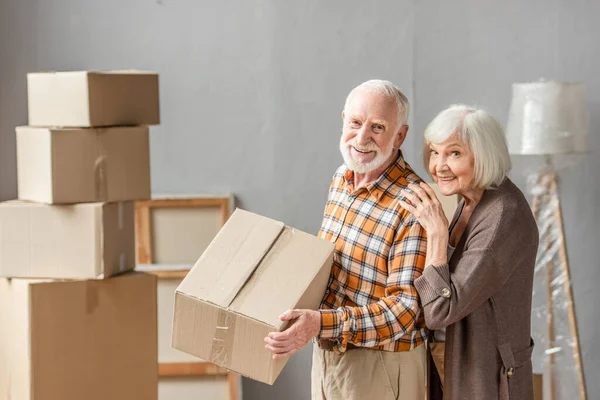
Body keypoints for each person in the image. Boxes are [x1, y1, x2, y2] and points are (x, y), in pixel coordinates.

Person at [264, 79, 428, 399]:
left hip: (381, 365)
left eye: (378, 127)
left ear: (400, 135)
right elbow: (333, 270)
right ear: (343, 121)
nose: (362, 137)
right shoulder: (342, 177)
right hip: (328, 356)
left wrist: (319, 323)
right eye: (355, 123)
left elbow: (404, 311)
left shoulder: (413, 203)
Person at [400, 104, 539, 400]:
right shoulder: (470, 199)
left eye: (455, 153)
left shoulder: (503, 216)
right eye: (435, 152)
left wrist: (437, 235)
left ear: (484, 154)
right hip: (449, 360)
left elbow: (440, 311)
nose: (439, 165)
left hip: (484, 377)